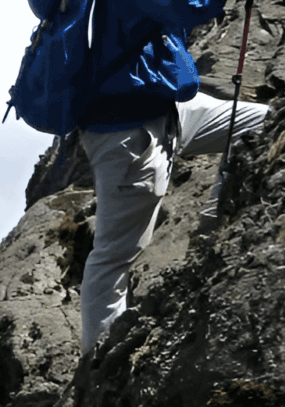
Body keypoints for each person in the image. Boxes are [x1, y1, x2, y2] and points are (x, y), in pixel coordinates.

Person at [76, 0, 269, 352]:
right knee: (114, 256)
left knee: (263, 122)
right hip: (128, 131)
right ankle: (96, 368)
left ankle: (213, 219)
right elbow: (189, 8)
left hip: (169, 108)